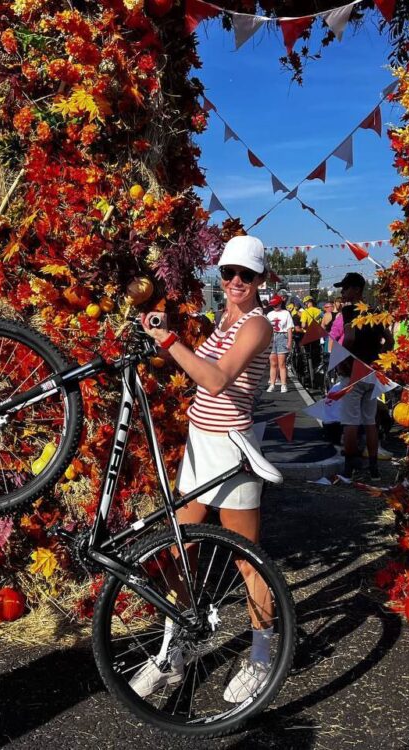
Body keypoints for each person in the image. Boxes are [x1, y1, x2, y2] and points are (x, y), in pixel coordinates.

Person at [134, 234, 275, 703]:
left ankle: (260, 657)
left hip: (232, 450)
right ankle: (172, 651)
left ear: (260, 280)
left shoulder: (258, 326)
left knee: (247, 559)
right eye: (229, 273)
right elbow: (194, 366)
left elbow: (214, 381)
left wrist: (169, 339)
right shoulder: (223, 322)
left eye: (246, 275)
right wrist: (159, 338)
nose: (236, 282)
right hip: (199, 445)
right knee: (180, 551)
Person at [329, 273, 393, 482]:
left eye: (345, 288)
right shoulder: (375, 310)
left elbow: (350, 337)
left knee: (350, 422)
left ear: (356, 289)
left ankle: (349, 468)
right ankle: (374, 468)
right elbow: (390, 340)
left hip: (353, 372)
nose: (342, 292)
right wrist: (378, 356)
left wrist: (341, 358)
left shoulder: (349, 311)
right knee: (370, 421)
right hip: (373, 372)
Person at [265, 295, 293, 393]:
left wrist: (289, 342)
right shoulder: (269, 314)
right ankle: (272, 384)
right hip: (272, 337)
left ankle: (283, 384)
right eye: (273, 305)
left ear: (281, 303)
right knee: (273, 363)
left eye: (276, 304)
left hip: (282, 336)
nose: (275, 307)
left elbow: (289, 328)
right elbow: (266, 329)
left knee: (282, 363)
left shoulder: (286, 313)